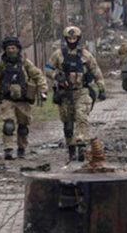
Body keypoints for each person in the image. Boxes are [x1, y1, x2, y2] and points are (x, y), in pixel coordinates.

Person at [45, 26, 107, 162]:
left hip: (82, 91)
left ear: (78, 39)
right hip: (65, 93)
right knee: (67, 123)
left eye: (74, 38)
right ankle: (71, 148)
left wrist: (101, 88)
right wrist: (57, 77)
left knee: (82, 117)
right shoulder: (58, 54)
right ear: (65, 39)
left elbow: (96, 71)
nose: (72, 41)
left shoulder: (85, 55)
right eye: (69, 38)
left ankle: (81, 146)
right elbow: (48, 69)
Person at [0, 36, 47, 160]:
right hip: (7, 99)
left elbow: (38, 75)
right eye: (8, 48)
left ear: (18, 49)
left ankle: (22, 148)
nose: (11, 50)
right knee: (8, 125)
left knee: (23, 127)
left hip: (23, 100)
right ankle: (8, 149)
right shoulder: (1, 65)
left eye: (13, 48)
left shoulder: (25, 63)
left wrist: (43, 90)